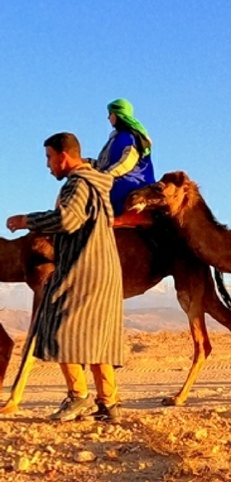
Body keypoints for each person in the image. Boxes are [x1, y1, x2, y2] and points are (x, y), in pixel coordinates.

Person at [6, 132, 124, 422]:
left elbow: (68, 219)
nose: (48, 165)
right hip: (106, 270)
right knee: (98, 335)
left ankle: (78, 397)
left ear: (64, 156)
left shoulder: (78, 183)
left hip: (83, 269)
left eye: (49, 157)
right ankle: (108, 402)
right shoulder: (98, 184)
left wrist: (28, 221)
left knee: (58, 327)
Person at [96, 98, 155, 215]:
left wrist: (106, 176)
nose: (108, 118)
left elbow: (127, 161)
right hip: (116, 177)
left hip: (132, 181)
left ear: (118, 114)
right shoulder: (116, 138)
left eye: (110, 114)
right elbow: (103, 163)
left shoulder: (130, 136)